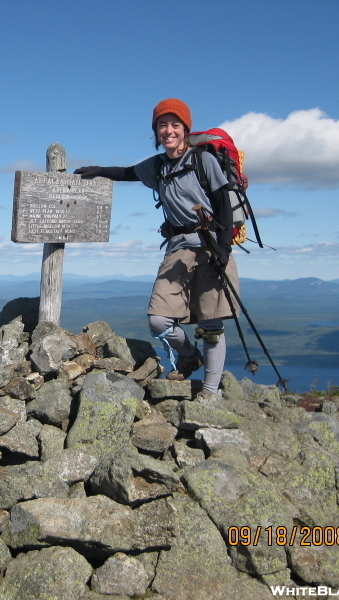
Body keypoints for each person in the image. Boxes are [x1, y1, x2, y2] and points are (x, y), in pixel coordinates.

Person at [75, 98, 239, 402]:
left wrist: (224, 250)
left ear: (185, 129)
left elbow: (223, 204)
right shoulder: (158, 166)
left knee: (211, 324)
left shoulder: (204, 162)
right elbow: (128, 173)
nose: (168, 130)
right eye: (162, 125)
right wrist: (98, 170)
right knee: (159, 320)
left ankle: (210, 391)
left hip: (212, 246)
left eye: (175, 124)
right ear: (156, 131)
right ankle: (190, 356)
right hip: (178, 248)